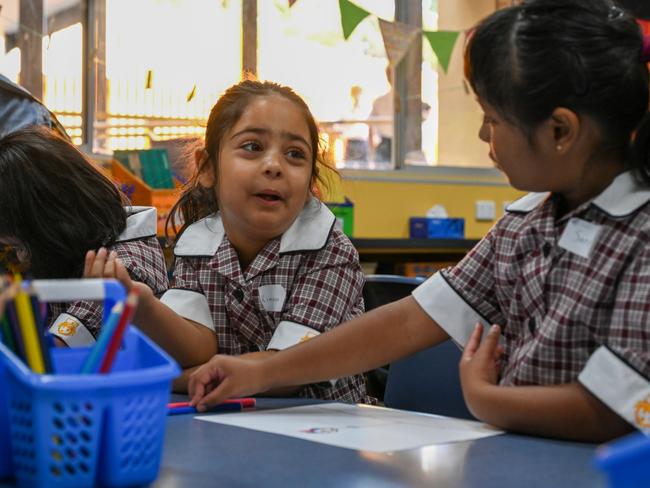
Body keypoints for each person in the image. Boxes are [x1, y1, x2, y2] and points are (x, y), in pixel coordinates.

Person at [185, 0, 650, 442]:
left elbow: (616, 410)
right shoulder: (523, 227)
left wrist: (490, 401)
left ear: (560, 131)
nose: (482, 133)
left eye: (492, 118)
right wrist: (261, 370)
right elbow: (407, 322)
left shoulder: (640, 234)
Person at [85, 80, 369, 402]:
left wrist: (177, 378)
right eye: (252, 147)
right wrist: (139, 303)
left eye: (295, 154)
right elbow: (197, 344)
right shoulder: (197, 244)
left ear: (309, 182)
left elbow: (289, 370)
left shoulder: (329, 251)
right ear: (207, 167)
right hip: (234, 424)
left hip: (326, 430)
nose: (274, 166)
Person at [0, 126, 168, 346]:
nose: (15, 252)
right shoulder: (73, 243)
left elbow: (60, 346)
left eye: (17, 241)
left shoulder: (123, 262)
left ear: (45, 220)